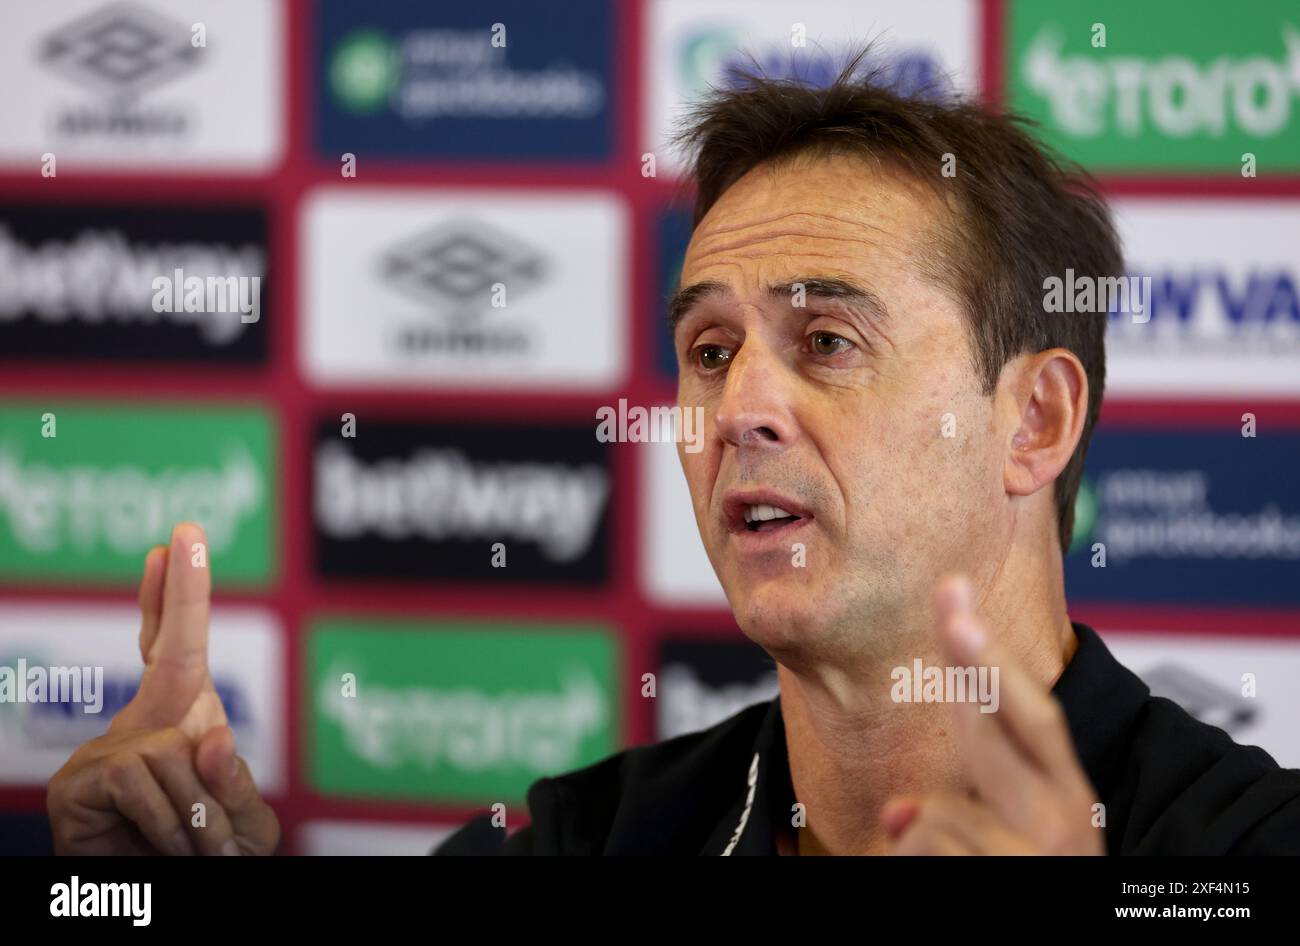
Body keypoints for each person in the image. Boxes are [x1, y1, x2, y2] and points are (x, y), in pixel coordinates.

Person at [46, 54, 1300, 857]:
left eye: (825, 339)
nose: (737, 407)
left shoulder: (1238, 851)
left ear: (1033, 421)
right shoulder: (589, 839)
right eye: (707, 350)